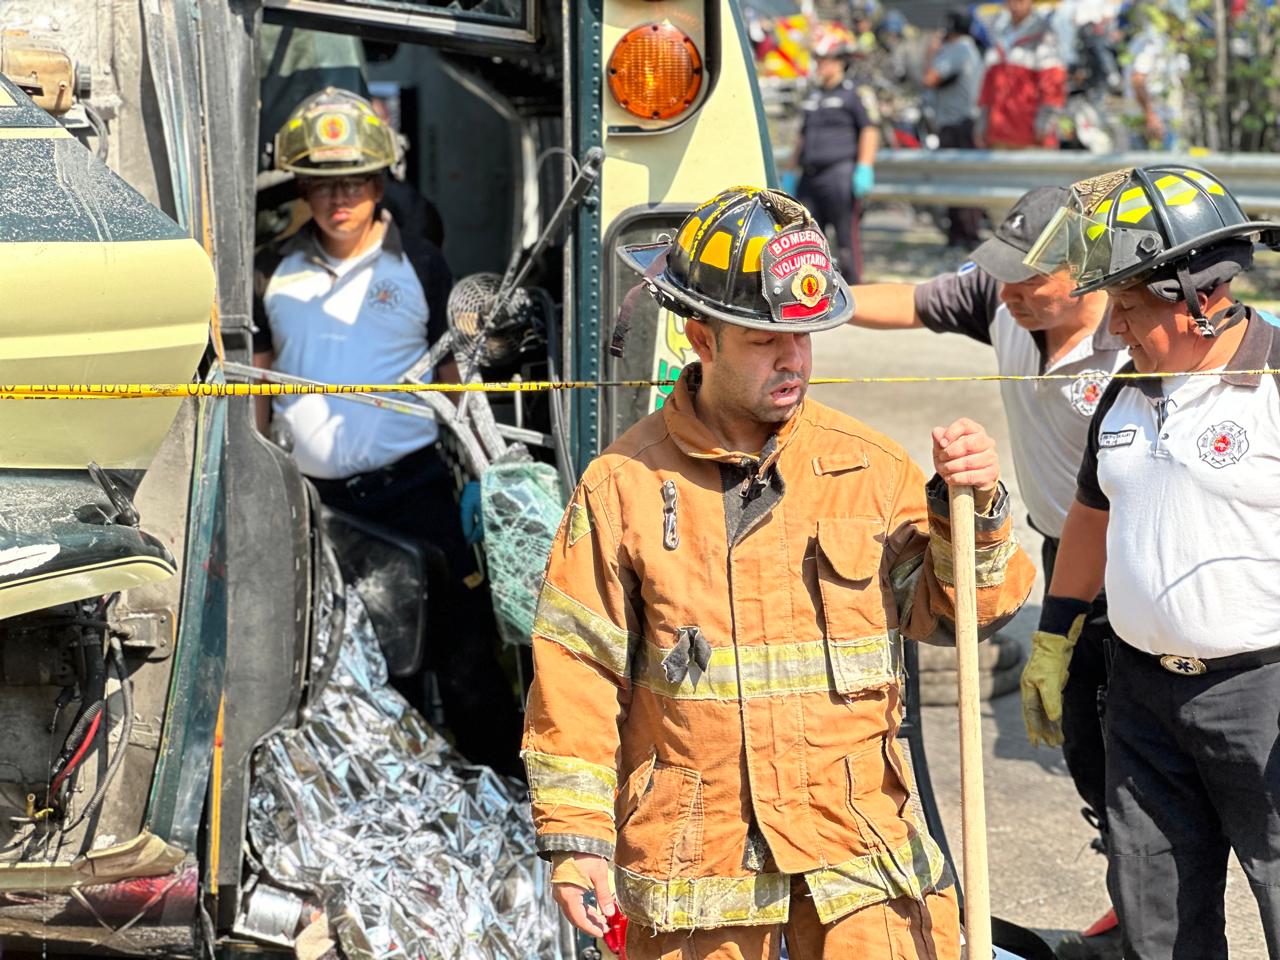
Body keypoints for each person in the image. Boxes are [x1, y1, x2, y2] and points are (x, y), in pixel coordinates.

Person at [521, 186, 1036, 959]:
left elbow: (959, 614)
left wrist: (978, 509)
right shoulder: (622, 484)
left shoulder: (868, 467)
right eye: (765, 340)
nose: (793, 358)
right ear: (701, 337)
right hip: (699, 876)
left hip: (859, 864)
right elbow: (575, 676)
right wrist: (577, 838)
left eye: (804, 336)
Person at [844, 186, 1129, 955]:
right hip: (1061, 552)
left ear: (1088, 274)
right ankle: (1130, 893)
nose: (1010, 291)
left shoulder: (1139, 344)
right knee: (1085, 743)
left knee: (1139, 747)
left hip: (1137, 566)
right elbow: (902, 301)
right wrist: (806, 301)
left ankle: (1151, 908)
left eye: (1031, 278)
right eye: (1002, 273)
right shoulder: (1002, 301)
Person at [1021, 164, 1280, 958]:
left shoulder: (1273, 381)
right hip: (1141, 699)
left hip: (1262, 699)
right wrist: (1055, 637)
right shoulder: (1125, 393)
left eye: (1129, 308)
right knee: (1156, 912)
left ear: (1198, 297)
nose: (1115, 332)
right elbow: (1091, 515)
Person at [252, 87, 522, 776]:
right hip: (322, 515)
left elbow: (456, 381)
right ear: (301, 188)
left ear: (378, 183)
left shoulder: (421, 268)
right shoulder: (270, 273)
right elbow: (257, 383)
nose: (337, 199)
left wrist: (482, 476)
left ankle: (509, 808)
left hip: (420, 497)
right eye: (320, 183)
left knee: (467, 675)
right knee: (359, 679)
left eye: (352, 182)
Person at [788, 25, 879, 283]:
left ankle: (854, 292)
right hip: (809, 175)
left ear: (839, 62)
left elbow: (870, 130)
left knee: (846, 240)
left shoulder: (855, 93)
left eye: (824, 60)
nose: (819, 65)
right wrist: (791, 172)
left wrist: (865, 167)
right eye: (817, 59)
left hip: (840, 173)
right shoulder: (813, 95)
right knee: (805, 237)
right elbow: (801, 136)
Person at [923, 9, 985, 249]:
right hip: (963, 123)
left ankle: (965, 236)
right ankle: (959, 234)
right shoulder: (968, 48)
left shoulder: (958, 48)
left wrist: (932, 51)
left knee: (959, 181)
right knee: (958, 180)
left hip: (957, 125)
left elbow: (930, 78)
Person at [976, 0, 1067, 149]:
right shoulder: (999, 32)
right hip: (997, 136)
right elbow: (987, 87)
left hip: (1031, 138)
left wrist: (1044, 126)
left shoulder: (1043, 34)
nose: (1016, 4)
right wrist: (982, 124)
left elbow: (1053, 86)